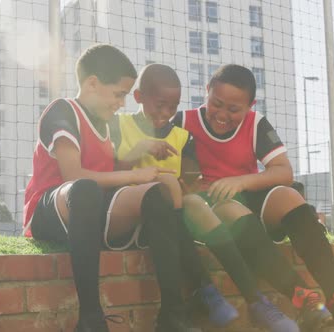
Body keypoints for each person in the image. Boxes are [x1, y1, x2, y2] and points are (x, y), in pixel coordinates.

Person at [172, 64, 334, 331]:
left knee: (290, 196)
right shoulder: (182, 122)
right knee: (230, 208)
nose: (222, 114)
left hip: (248, 197)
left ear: (250, 105)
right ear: (207, 91)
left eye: (234, 109)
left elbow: (284, 171)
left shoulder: (255, 123)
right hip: (212, 210)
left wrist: (241, 180)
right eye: (216, 103)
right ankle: (303, 298)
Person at [23, 44, 200, 332]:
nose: (121, 103)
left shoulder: (106, 124)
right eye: (119, 94)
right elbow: (73, 174)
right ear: (92, 83)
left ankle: (172, 316)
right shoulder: (62, 110)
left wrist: (141, 160)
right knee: (85, 189)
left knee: (156, 194)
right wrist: (137, 176)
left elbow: (110, 170)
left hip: (93, 209)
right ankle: (91, 319)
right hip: (50, 210)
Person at [110, 63, 298, 332]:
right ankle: (207, 291)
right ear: (138, 98)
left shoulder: (182, 136)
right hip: (134, 214)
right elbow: (112, 174)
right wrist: (140, 150)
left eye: (172, 107)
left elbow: (190, 185)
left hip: (173, 214)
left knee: (194, 202)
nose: (165, 114)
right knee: (165, 188)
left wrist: (188, 185)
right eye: (159, 105)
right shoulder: (119, 124)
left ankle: (254, 301)